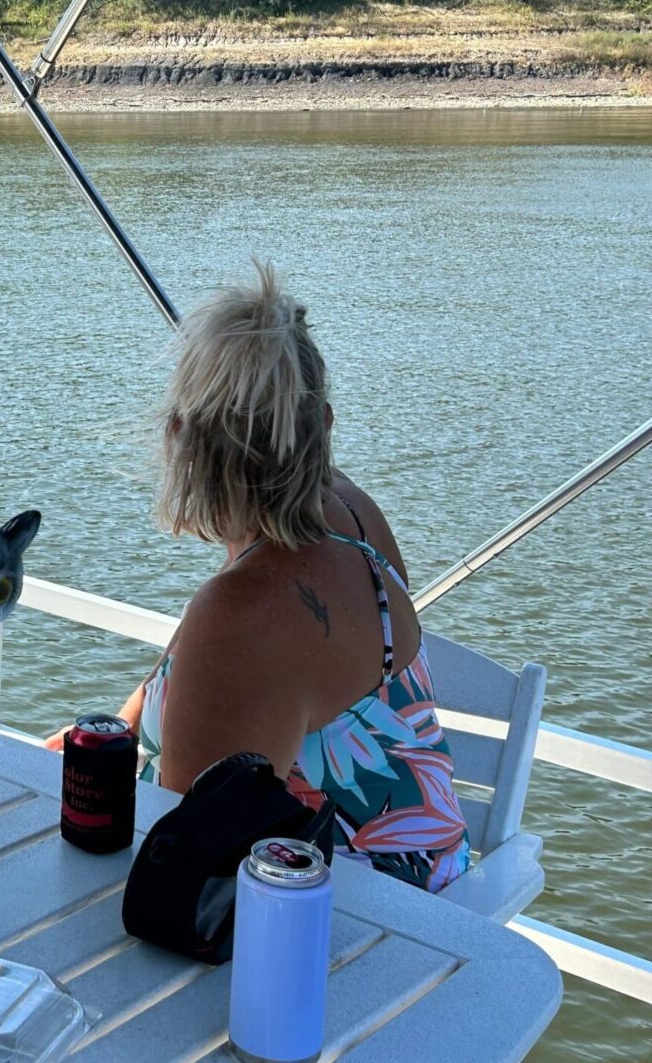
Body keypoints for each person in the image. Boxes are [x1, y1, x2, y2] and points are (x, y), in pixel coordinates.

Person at [46, 263, 469, 893]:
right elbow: (200, 667)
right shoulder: (350, 512)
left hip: (339, 918)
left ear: (179, 440)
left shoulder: (243, 610)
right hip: (433, 882)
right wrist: (120, 726)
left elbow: (187, 864)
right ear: (322, 424)